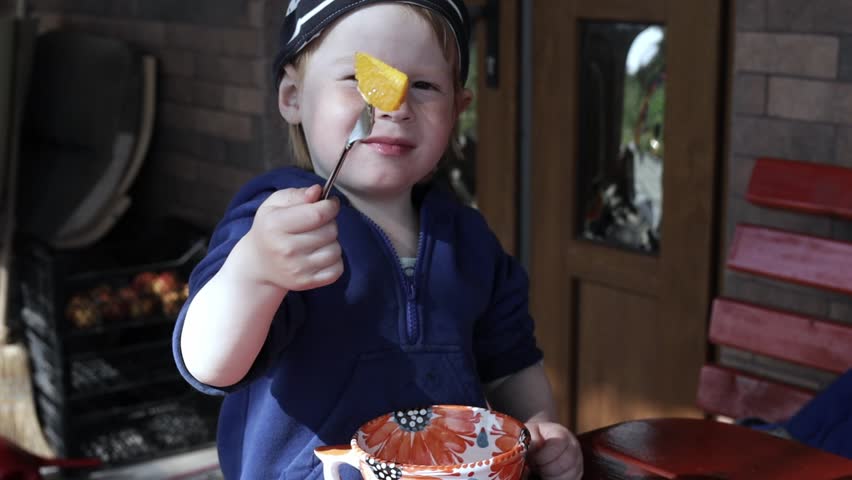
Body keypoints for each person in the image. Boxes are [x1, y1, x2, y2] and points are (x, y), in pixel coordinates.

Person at [173, 1, 583, 478]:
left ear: (457, 109)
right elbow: (209, 365)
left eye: (424, 86)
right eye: (358, 78)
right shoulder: (275, 223)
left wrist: (538, 428)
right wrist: (254, 273)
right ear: (292, 96)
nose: (393, 105)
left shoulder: (469, 242)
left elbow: (512, 365)